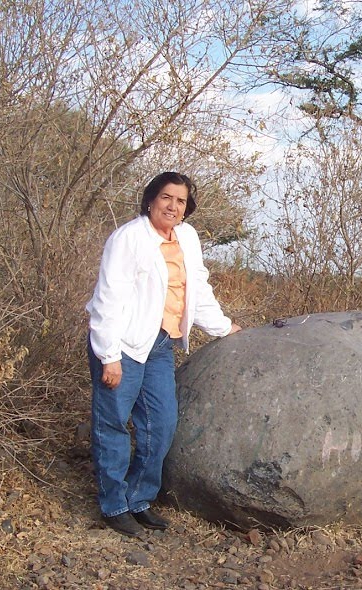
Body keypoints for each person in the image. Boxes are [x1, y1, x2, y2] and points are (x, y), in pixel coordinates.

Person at [85, 172, 241, 538]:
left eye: (181, 201)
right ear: (151, 199)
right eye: (166, 197)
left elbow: (197, 287)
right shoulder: (129, 238)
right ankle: (113, 506)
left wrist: (222, 326)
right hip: (122, 344)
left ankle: (139, 499)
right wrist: (108, 355)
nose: (173, 206)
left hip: (160, 345)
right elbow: (108, 299)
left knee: (162, 423)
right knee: (113, 425)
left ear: (188, 207)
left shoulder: (186, 237)